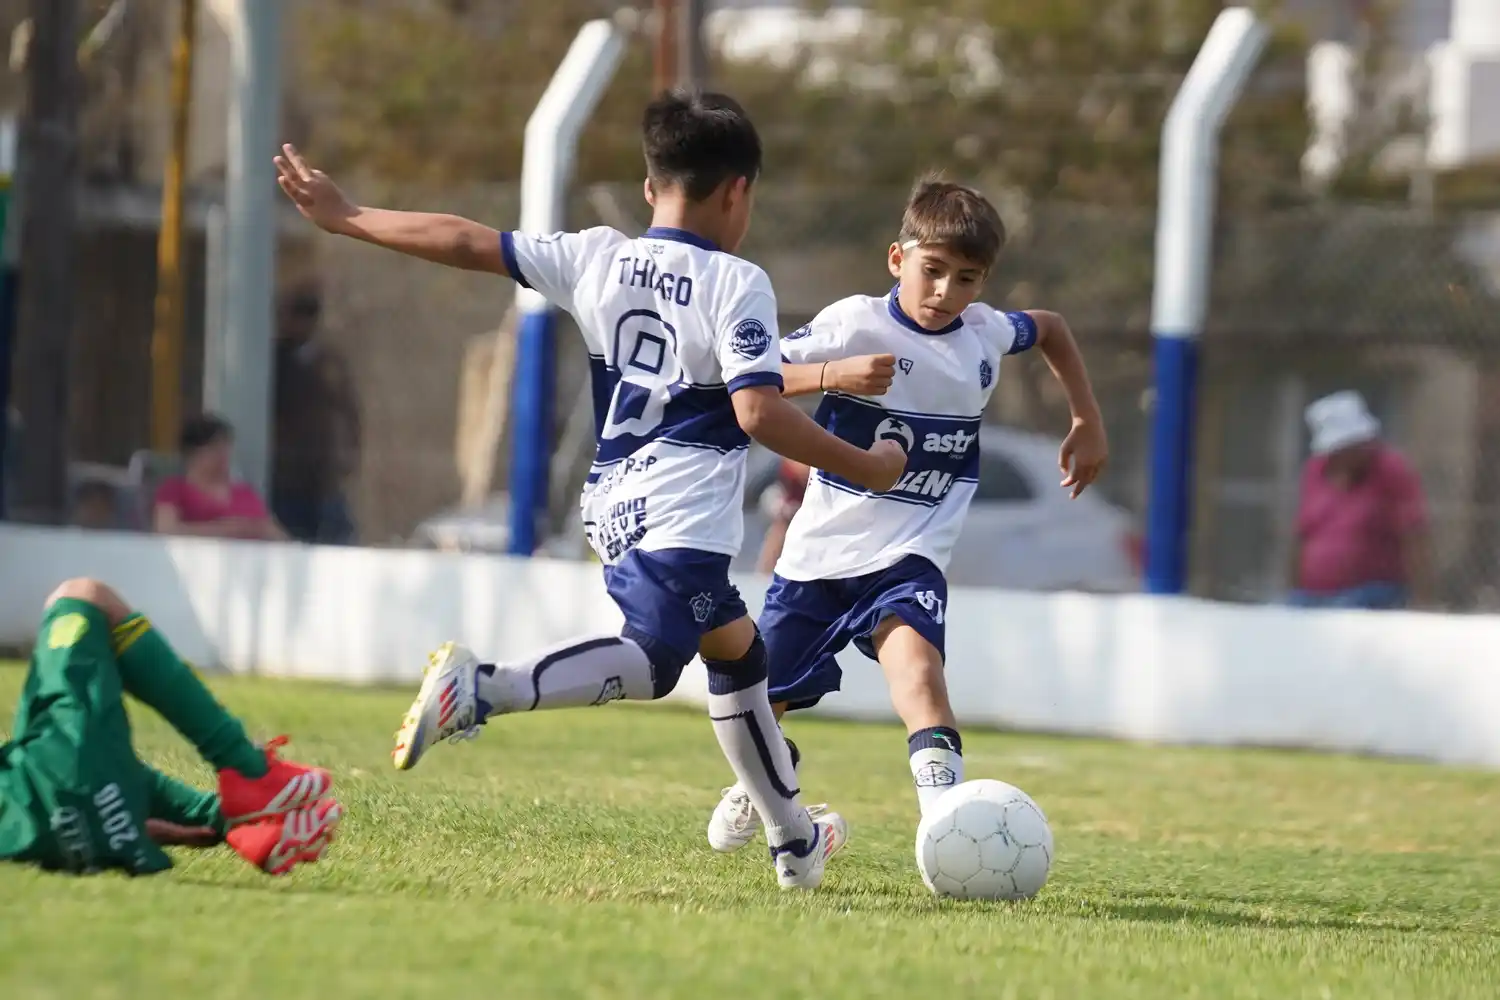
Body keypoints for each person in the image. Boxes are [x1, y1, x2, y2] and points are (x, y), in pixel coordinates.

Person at [275, 89, 907, 890]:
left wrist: (349, 214)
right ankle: (482, 688)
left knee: (738, 652)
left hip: (612, 500)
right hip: (681, 511)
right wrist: (869, 466)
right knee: (654, 661)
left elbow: (471, 242)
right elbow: (756, 410)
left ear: (650, 187)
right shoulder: (737, 281)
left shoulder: (598, 255)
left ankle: (793, 842)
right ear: (739, 190)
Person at [704, 177, 1109, 853]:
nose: (946, 292)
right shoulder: (852, 324)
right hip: (819, 559)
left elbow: (1052, 329)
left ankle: (949, 828)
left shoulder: (983, 334)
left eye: (966, 278)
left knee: (918, 677)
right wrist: (833, 376)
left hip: (910, 557)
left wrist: (1086, 419)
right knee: (756, 708)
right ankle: (765, 779)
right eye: (933, 271)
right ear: (898, 260)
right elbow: (750, 375)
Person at [0, 577, 340, 876]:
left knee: (101, 774)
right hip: (55, 781)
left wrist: (133, 825)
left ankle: (241, 822)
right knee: (82, 597)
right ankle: (248, 769)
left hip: (50, 823)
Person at [1289, 390, 1428, 610]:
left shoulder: (1390, 469)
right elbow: (1302, 535)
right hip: (1312, 593)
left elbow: (1413, 534)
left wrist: (1422, 599)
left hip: (1371, 592)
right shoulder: (1315, 470)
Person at [272, 285, 361, 545]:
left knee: (337, 539)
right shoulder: (274, 360)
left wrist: (350, 451)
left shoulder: (327, 362)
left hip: (321, 472)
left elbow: (348, 408)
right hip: (285, 472)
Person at [153, 414, 287, 542]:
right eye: (215, 448)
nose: (223, 455)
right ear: (192, 453)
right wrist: (228, 530)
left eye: (226, 447)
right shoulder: (174, 490)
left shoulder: (244, 492)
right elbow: (166, 530)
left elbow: (275, 533)